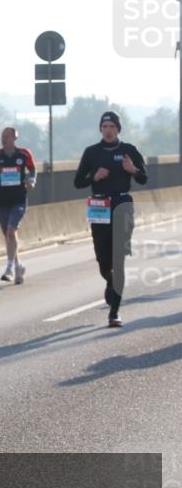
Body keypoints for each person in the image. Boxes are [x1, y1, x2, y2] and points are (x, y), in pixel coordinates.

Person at [73, 110, 147, 327]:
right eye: (105, 127)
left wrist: (132, 169)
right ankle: (109, 280)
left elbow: (144, 178)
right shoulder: (92, 152)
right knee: (103, 259)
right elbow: (77, 182)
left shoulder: (128, 150)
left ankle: (114, 312)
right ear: (100, 129)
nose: (108, 131)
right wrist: (94, 177)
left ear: (118, 129)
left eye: (112, 127)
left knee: (119, 257)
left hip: (122, 203)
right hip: (99, 206)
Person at [0, 127, 37, 283]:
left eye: (7, 136)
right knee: (8, 236)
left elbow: (33, 169)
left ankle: (9, 268)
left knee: (11, 231)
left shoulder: (23, 154)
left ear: (15, 138)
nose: (4, 139)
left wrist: (32, 180)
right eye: (2, 136)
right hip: (2, 201)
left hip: (19, 199)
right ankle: (18, 266)